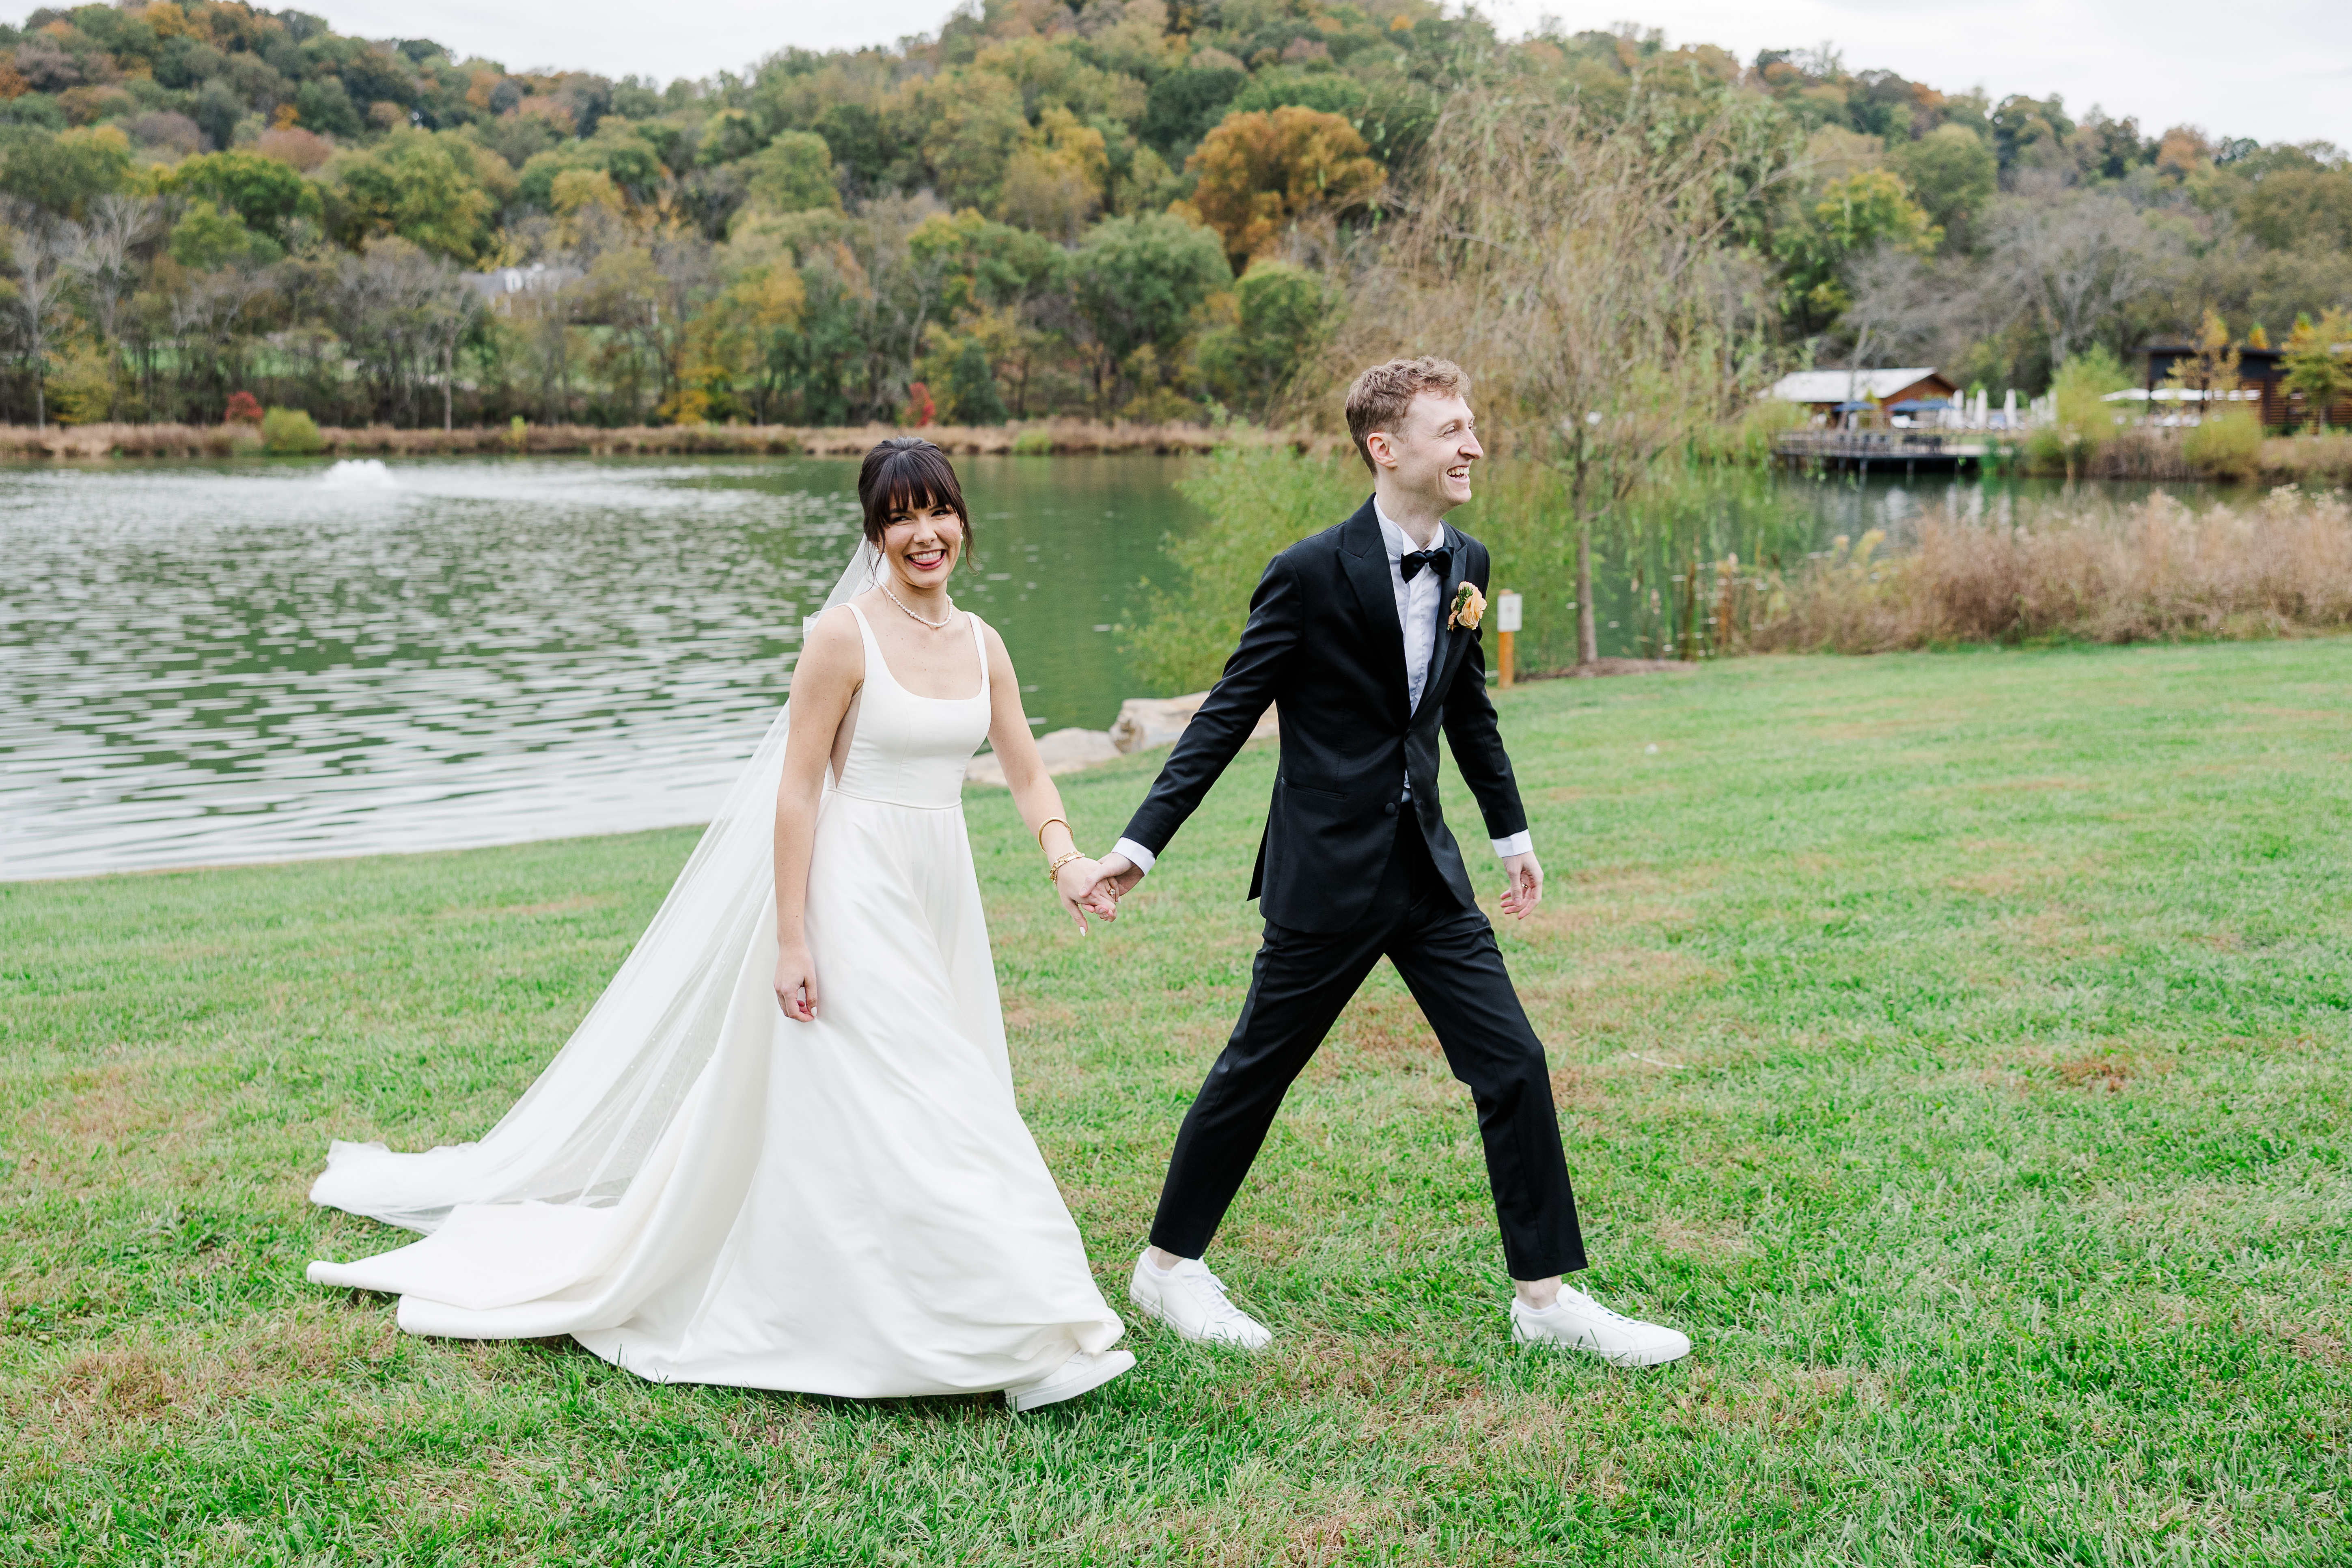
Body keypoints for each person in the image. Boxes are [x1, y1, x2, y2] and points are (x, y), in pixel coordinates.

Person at [307, 439, 1135, 1413]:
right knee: (933, 1102)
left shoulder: (982, 642)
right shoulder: (841, 637)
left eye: (939, 512)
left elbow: (1027, 766)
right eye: (901, 517)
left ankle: (947, 1306)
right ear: (875, 532)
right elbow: (794, 793)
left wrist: (1065, 857)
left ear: (963, 521)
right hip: (852, 886)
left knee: (942, 1100)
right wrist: (791, 936)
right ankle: (1021, 1333)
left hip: (939, 889)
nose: (925, 535)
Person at [1089, 358, 1691, 1367]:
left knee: (1514, 1063)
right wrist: (1138, 846)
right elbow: (1229, 714)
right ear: (1387, 448)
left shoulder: (1471, 564)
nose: (1474, 445)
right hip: (1325, 873)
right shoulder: (1308, 571)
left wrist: (1514, 837)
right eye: (1452, 429)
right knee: (1258, 1071)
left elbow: (1466, 712)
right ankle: (1166, 1271)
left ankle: (1544, 1301)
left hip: (1428, 872)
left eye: (1473, 426)